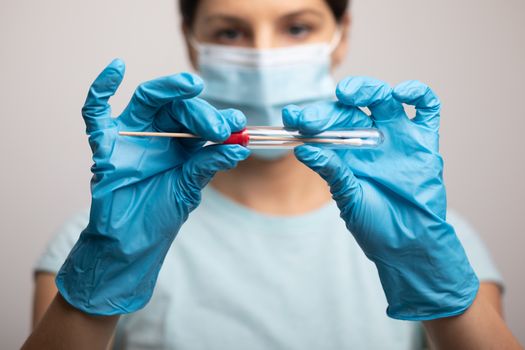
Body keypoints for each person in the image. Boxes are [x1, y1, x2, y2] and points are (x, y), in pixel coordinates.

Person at [23, 0, 522, 349]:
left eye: (297, 28)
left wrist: (432, 275)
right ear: (192, 42)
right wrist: (104, 275)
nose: (263, 56)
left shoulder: (437, 236)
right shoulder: (90, 242)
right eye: (229, 32)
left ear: (341, 34)